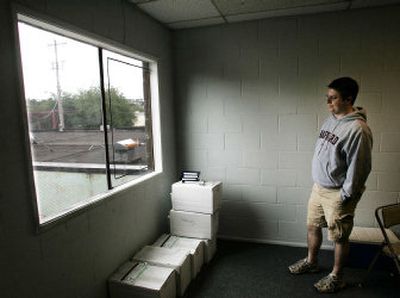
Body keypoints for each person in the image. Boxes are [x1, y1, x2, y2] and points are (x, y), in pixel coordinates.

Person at [288, 77, 373, 293]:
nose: (328, 102)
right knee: (312, 226)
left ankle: (337, 276)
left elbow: (360, 167)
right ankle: (312, 261)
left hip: (338, 193)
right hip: (319, 188)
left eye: (333, 98)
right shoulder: (331, 119)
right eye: (327, 97)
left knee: (339, 237)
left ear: (348, 99)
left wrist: (347, 194)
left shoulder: (358, 130)